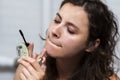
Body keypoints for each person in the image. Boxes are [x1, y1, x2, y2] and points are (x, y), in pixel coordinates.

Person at [14, 0, 120, 80]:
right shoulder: (27, 70)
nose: (54, 31)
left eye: (70, 30)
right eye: (57, 20)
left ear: (91, 44)